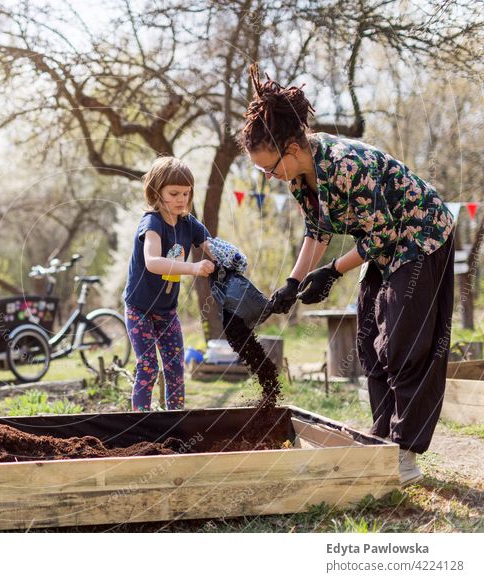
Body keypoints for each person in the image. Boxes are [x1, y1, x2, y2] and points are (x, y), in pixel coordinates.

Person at [242, 64, 455, 485]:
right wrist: (292, 281)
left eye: (270, 167)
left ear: (293, 149)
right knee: (369, 338)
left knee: (403, 340)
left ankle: (406, 455)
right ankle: (382, 440)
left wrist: (331, 272)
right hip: (383, 245)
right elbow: (318, 229)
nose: (269, 176)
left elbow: (383, 232)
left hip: (420, 235)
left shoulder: (345, 164)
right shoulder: (301, 178)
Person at [122, 156, 215, 411]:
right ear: (156, 191)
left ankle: (175, 421)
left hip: (166, 310)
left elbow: (212, 247)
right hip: (139, 308)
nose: (181, 199)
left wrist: (230, 261)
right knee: (149, 364)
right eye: (174, 193)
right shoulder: (152, 223)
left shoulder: (188, 223)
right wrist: (193, 268)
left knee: (175, 365)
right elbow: (153, 261)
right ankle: (140, 419)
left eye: (186, 193)